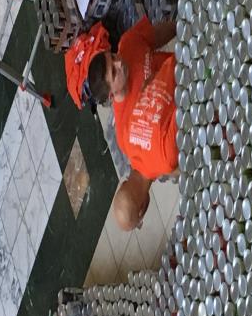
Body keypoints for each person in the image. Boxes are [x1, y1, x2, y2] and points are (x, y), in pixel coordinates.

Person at [65, 17, 177, 231]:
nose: (119, 62)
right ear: (111, 95)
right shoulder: (132, 137)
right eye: (114, 72)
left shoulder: (128, 43)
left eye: (113, 57)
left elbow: (161, 32)